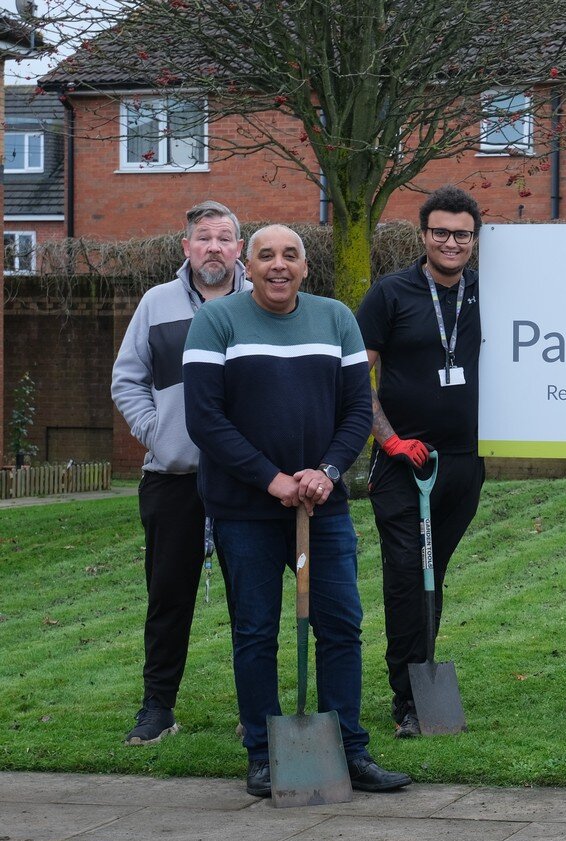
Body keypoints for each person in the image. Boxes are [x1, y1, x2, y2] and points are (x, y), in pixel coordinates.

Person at [183, 224, 411, 797]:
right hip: (244, 510)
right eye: (266, 256)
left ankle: (348, 749)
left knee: (341, 626)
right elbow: (205, 419)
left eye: (290, 255)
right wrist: (272, 479)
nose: (278, 265)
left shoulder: (336, 319)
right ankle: (264, 754)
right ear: (248, 266)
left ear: (306, 267)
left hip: (321, 507)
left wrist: (325, 472)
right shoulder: (217, 322)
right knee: (256, 632)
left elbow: (359, 409)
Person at [111, 200, 248, 745]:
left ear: (240, 248)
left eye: (224, 238)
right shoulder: (156, 303)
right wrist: (157, 431)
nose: (214, 247)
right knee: (168, 599)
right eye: (203, 237)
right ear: (186, 247)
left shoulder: (262, 302)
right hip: (173, 479)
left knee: (251, 600)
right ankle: (157, 708)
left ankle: (255, 711)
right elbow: (128, 379)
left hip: (247, 481)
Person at [357, 186, 484, 737]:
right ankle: (408, 699)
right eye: (440, 232)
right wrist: (388, 441)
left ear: (475, 240)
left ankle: (419, 684)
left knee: (436, 577)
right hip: (404, 463)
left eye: (461, 234)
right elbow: (355, 378)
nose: (451, 242)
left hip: (463, 462)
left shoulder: (488, 291)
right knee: (408, 577)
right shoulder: (390, 294)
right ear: (423, 235)